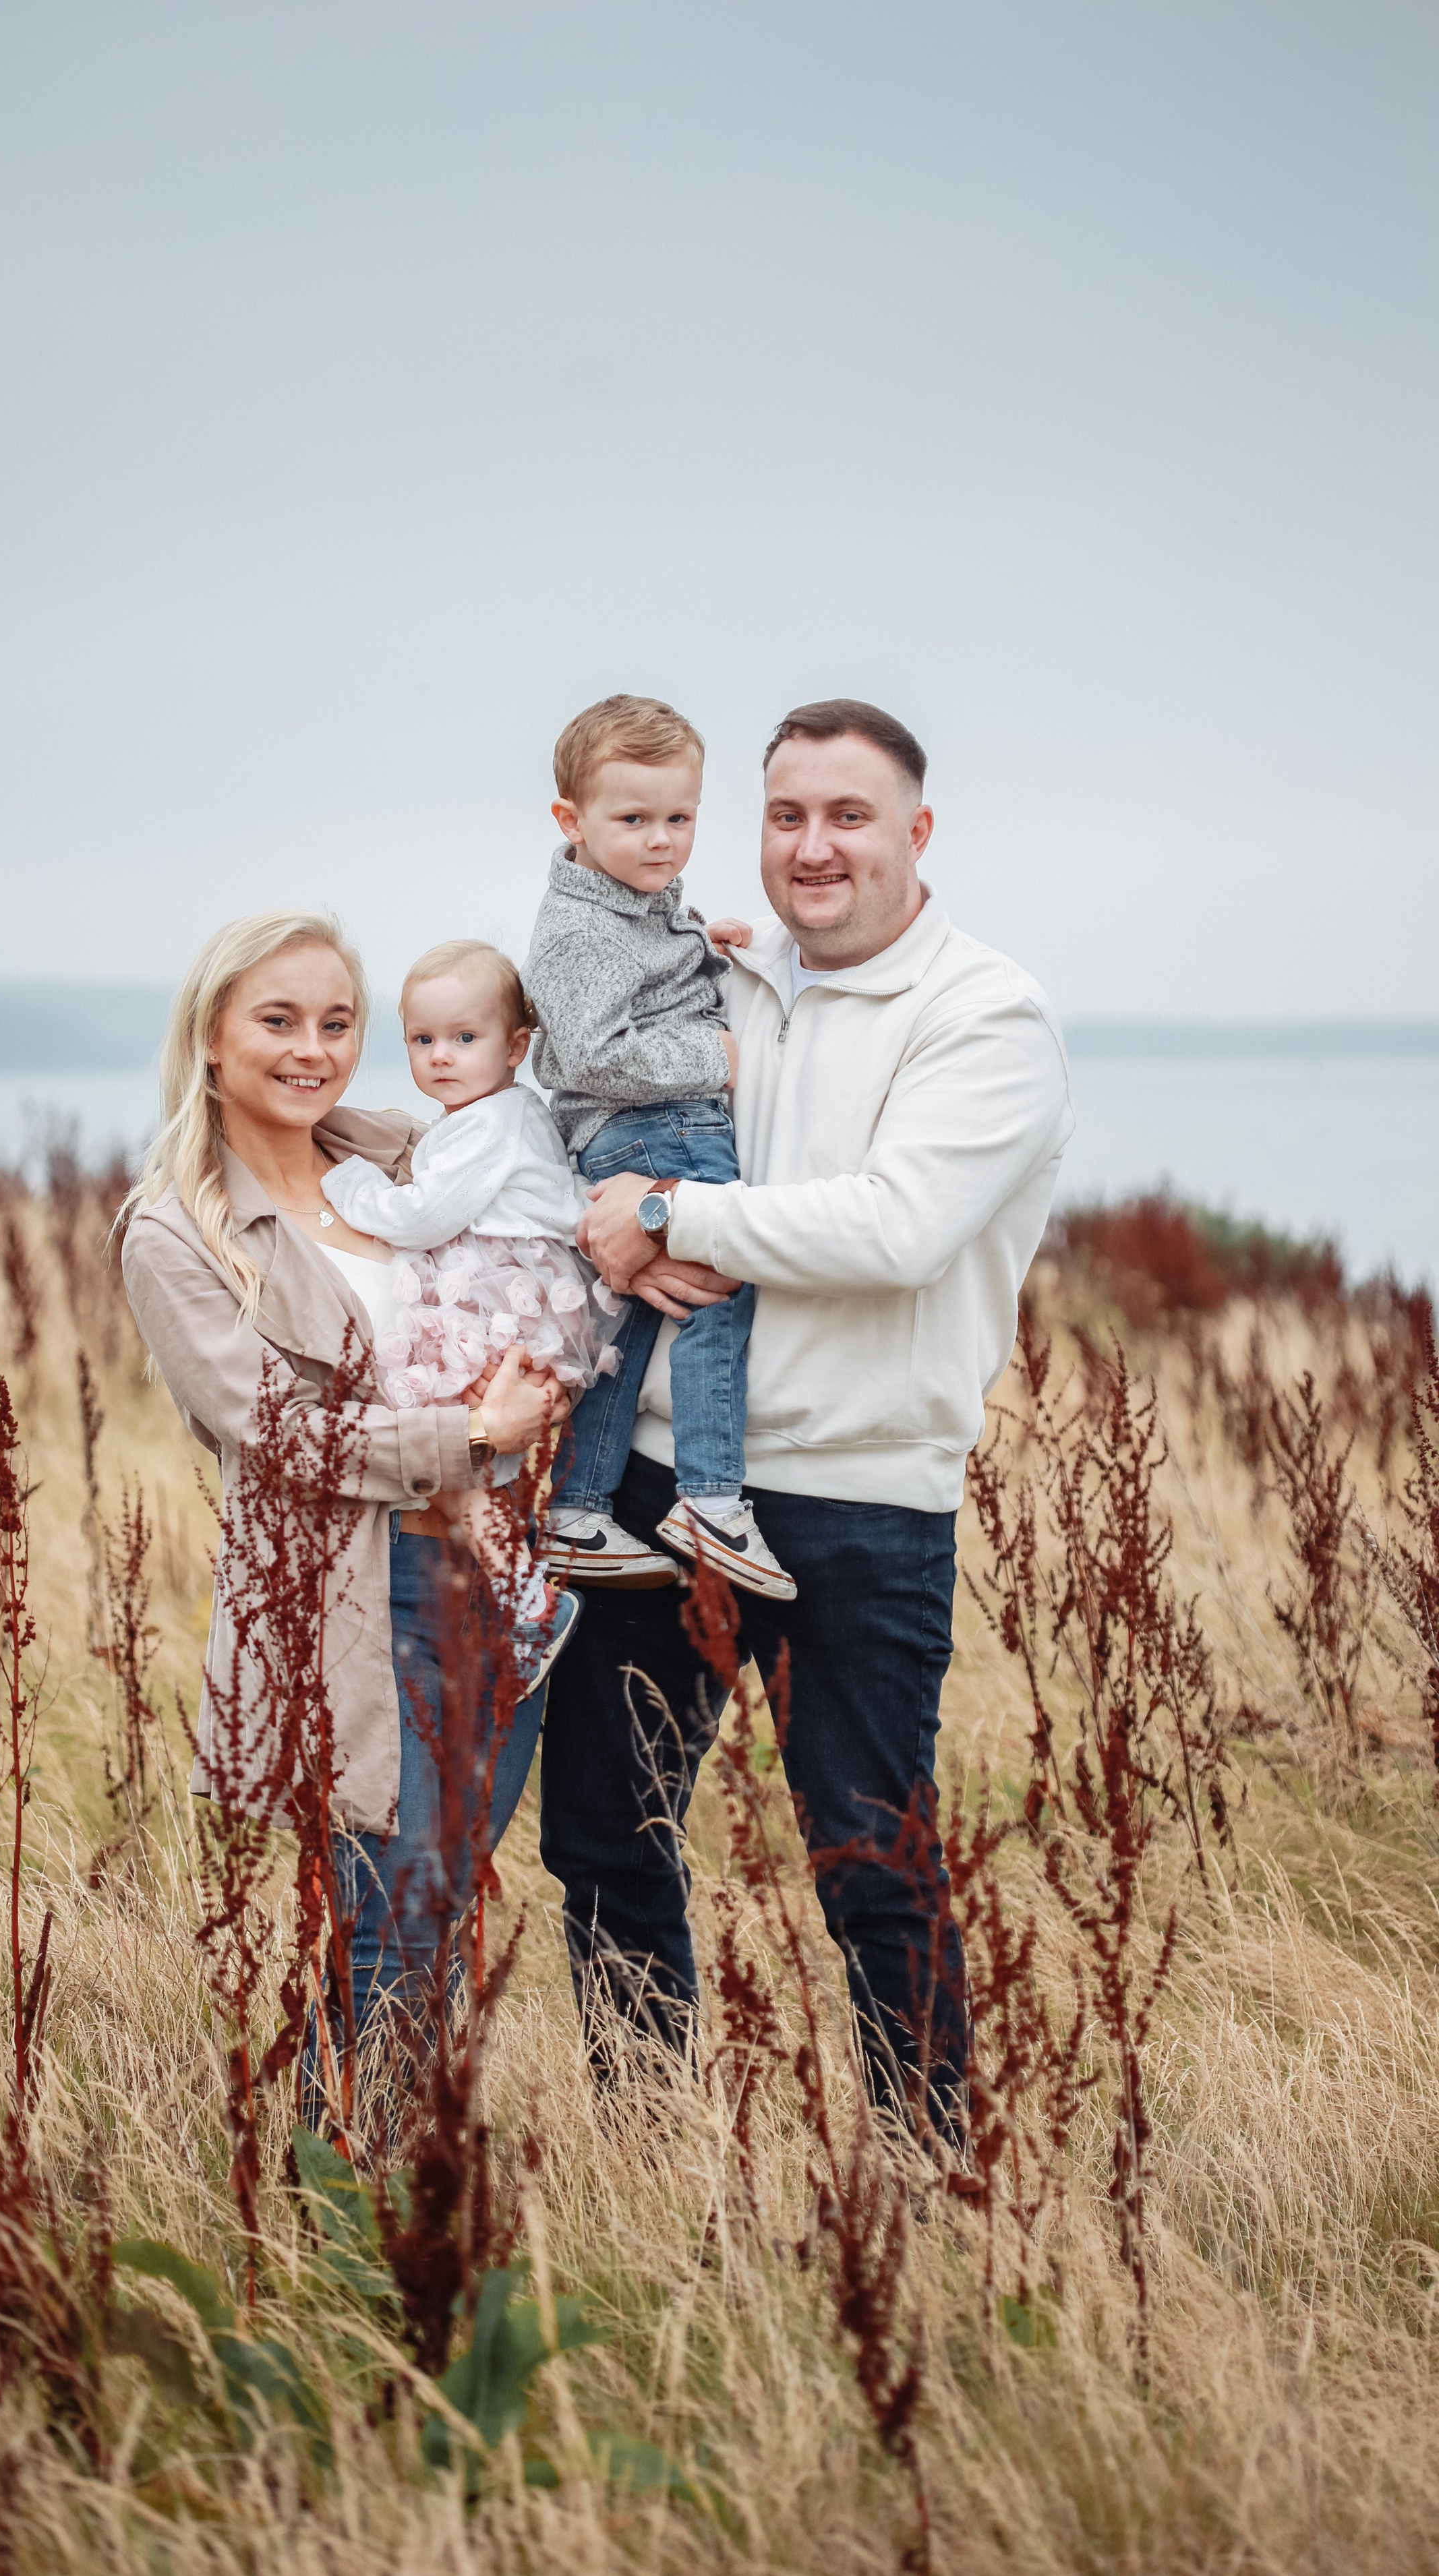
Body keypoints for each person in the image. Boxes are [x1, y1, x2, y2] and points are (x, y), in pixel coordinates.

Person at [539, 699, 1074, 2136]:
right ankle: (648, 2156)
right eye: (786, 816)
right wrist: (616, 1222)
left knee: (868, 1859)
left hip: (857, 1503)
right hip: (659, 1483)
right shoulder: (724, 982)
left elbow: (896, 1228)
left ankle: (924, 2178)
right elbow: (588, 1111)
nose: (813, 846)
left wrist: (668, 1212)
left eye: (847, 816)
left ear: (914, 832)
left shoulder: (986, 1014)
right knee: (604, 1837)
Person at [119, 910, 570, 2062]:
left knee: (447, 1898)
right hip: (363, 1594)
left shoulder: (398, 1154)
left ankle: (388, 2196)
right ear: (212, 1036)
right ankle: (363, 2223)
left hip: (502, 1571)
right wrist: (467, 1432)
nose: (311, 1050)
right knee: (393, 1913)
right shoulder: (177, 1230)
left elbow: (542, 1149)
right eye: (277, 1021)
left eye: (336, 1022)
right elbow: (274, 1431)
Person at [523, 692, 796, 1602]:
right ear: (572, 820)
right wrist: (713, 1055)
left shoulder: (635, 903)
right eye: (634, 819)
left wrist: (712, 950)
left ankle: (576, 1508)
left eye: (679, 818)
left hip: (651, 1129)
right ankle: (711, 1499)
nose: (661, 841)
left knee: (633, 1322)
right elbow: (595, 1050)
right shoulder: (581, 928)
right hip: (655, 1128)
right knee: (719, 1288)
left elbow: (644, 985)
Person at [320, 936, 617, 1672]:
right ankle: (523, 1599)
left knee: (448, 1448)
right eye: (422, 1040)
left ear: (517, 1046)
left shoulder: (492, 1123)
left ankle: (530, 1605)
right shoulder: (495, 1116)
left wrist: (351, 1188)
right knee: (458, 1459)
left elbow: (421, 1215)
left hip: (508, 1300)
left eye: (463, 1038)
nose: (440, 1057)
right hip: (521, 1297)